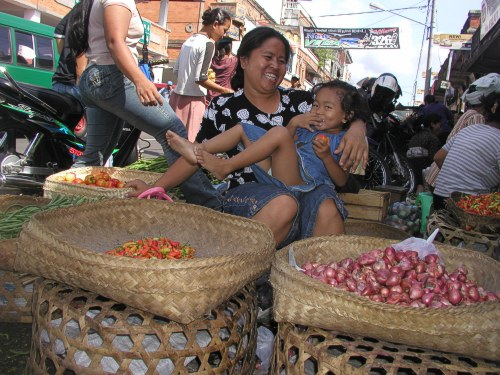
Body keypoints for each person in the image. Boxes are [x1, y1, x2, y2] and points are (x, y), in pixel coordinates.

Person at [127, 27, 369, 248]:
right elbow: (197, 154)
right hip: (247, 193)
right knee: (283, 202)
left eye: (282, 60)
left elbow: (344, 105)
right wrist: (156, 187)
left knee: (325, 205)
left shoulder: (302, 103)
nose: (275, 65)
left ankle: (314, 278)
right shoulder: (223, 106)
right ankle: (235, 271)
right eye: (268, 57)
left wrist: (359, 126)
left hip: (299, 185)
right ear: (243, 60)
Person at [67, 0, 220, 209]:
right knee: (172, 133)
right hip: (112, 77)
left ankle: (63, 204)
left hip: (98, 78)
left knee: (94, 155)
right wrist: (140, 80)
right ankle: (208, 202)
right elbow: (114, 41)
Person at [167, 80, 370, 233]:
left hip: (303, 185)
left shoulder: (343, 141)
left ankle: (225, 166)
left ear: (347, 116)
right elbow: (283, 147)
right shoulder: (307, 128)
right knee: (245, 129)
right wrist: (293, 125)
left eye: (327, 107)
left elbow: (342, 180)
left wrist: (326, 157)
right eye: (316, 105)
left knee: (279, 133)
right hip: (276, 174)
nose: (318, 111)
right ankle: (199, 150)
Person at [169, 8, 234, 142]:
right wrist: (224, 90)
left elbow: (176, 71)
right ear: (215, 24)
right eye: (224, 30)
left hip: (176, 98)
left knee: (174, 143)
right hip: (193, 100)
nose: (223, 35)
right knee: (191, 145)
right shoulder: (208, 44)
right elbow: (201, 78)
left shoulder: (189, 40)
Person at [425, 74, 498, 189]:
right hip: (446, 182)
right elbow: (474, 157)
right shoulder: (477, 118)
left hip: (439, 178)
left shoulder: (469, 114)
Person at [432, 90, 500, 210]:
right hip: (468, 205)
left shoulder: (469, 129)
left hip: (440, 196)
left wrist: (456, 178)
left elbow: (438, 157)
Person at [52, 2, 88, 102]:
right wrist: (80, 80)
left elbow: (59, 31)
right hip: (78, 85)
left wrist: (67, 58)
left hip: (60, 83)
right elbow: (82, 45)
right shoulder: (98, 7)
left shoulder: (81, 6)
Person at [406, 113, 441, 194]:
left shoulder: (415, 136)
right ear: (432, 124)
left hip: (411, 169)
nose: (440, 129)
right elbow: (434, 159)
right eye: (439, 125)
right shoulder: (433, 138)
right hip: (423, 172)